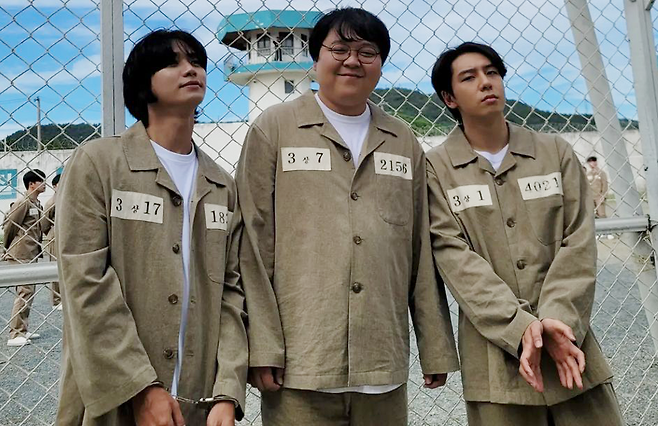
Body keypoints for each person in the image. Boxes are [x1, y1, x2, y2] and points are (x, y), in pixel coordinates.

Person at [236, 7, 458, 426]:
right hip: (301, 364)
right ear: (315, 58)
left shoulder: (402, 139)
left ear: (380, 64)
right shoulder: (275, 128)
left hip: (382, 363)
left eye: (367, 52)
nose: (352, 60)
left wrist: (434, 346)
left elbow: (420, 248)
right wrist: (261, 344)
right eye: (339, 49)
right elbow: (251, 242)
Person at [55, 29, 247, 426]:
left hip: (200, 401)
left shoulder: (221, 185)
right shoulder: (99, 164)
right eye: (171, 63)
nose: (190, 69)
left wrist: (227, 390)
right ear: (143, 82)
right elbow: (85, 282)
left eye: (196, 62)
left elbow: (231, 291)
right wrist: (141, 387)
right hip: (117, 402)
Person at [426, 42, 623, 425]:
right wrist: (521, 327)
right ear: (449, 98)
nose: (486, 82)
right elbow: (454, 256)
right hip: (497, 364)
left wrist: (557, 320)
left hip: (571, 350)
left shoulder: (554, 152)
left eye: (492, 72)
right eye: (469, 77)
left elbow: (578, 241)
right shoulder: (436, 169)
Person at [4, 169, 46, 347]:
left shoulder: (36, 203)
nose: (44, 184)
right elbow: (9, 225)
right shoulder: (23, 202)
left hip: (31, 252)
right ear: (32, 184)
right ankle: (15, 334)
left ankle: (22, 328)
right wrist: (8, 247)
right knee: (24, 291)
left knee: (28, 292)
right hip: (21, 253)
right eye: (41, 181)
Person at [41, 173, 61, 310]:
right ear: (54, 186)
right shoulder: (52, 202)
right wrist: (51, 234)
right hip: (54, 236)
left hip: (66, 235)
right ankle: (56, 299)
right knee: (55, 267)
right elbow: (44, 224)